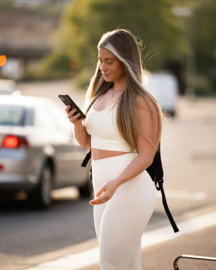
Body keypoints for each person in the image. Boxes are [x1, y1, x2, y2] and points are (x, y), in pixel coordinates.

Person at [65, 29, 163, 270]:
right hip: (103, 187)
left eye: (109, 61)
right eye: (100, 60)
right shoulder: (99, 95)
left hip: (129, 187)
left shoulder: (141, 100)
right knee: (127, 265)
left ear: (126, 61)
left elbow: (147, 155)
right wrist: (78, 123)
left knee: (110, 263)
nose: (102, 67)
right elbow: (89, 143)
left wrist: (117, 182)